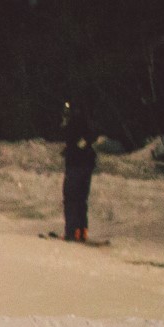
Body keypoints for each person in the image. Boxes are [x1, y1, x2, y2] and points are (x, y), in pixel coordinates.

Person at [61, 101, 98, 242]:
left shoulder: (74, 124)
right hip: (85, 165)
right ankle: (81, 232)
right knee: (81, 200)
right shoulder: (86, 123)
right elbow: (85, 140)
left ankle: (72, 232)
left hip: (76, 166)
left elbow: (75, 140)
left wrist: (74, 149)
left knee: (71, 199)